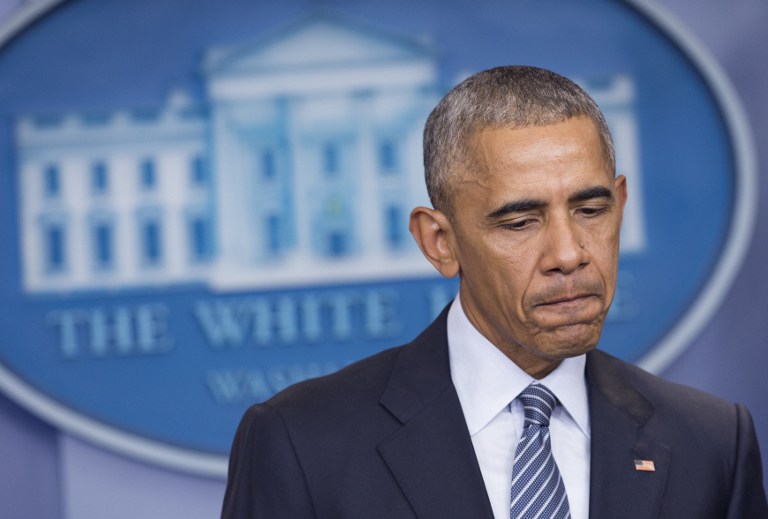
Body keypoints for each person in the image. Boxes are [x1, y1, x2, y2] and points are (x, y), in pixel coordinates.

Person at [221, 66, 768, 518]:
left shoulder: (712, 442)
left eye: (591, 210)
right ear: (439, 242)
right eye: (520, 222)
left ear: (620, 205)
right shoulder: (302, 442)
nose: (569, 253)